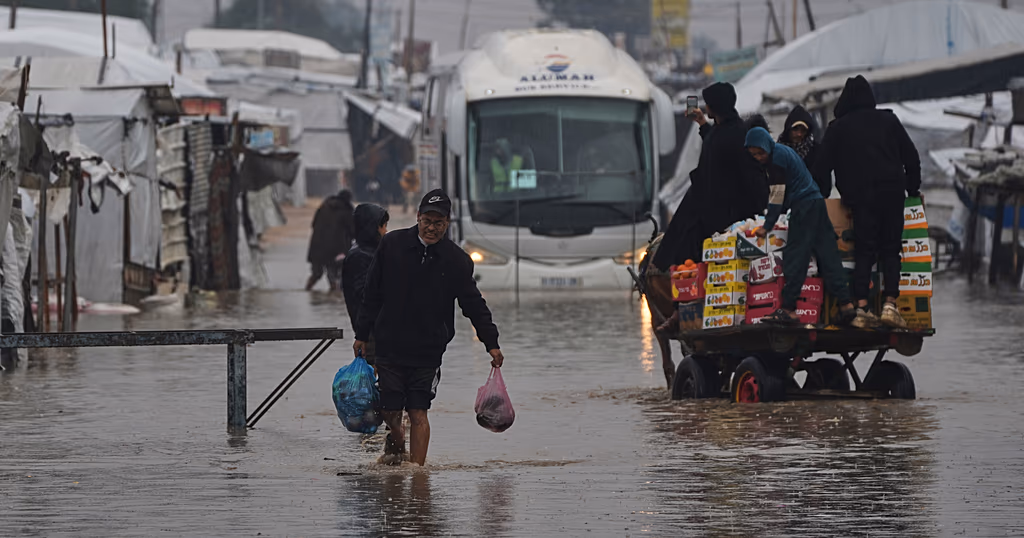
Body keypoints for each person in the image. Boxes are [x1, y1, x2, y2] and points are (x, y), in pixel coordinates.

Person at [353, 189, 504, 466]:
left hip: (428, 348)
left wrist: (490, 342)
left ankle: (417, 474)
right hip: (390, 343)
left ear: (447, 224)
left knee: (419, 411)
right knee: (390, 410)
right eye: (427, 221)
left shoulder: (457, 260)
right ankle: (396, 443)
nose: (432, 228)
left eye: (439, 223)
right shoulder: (392, 245)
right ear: (418, 217)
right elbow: (371, 293)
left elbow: (473, 304)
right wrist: (362, 335)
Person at [813, 75, 922, 328]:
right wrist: (912, 188)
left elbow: (821, 168)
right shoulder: (889, 120)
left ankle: (861, 307)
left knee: (865, 250)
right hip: (893, 194)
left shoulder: (838, 128)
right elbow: (911, 156)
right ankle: (890, 305)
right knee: (891, 249)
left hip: (861, 198)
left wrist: (824, 194)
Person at [745, 127, 856, 325]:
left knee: (796, 255)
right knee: (828, 253)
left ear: (766, 147)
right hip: (816, 202)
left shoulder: (777, 159)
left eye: (760, 152)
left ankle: (788, 308)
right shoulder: (781, 151)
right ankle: (846, 303)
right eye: (753, 154)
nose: (758, 157)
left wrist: (767, 225)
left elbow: (776, 196)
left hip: (804, 206)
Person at [653, 82, 768, 271]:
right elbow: (715, 141)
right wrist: (702, 123)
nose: (706, 108)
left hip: (721, 215)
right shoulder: (731, 128)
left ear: (716, 107)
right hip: (717, 208)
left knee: (682, 246)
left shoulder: (731, 135)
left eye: (709, 105)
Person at [342, 203, 390, 365]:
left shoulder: (373, 252)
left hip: (378, 330)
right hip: (372, 332)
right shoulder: (361, 256)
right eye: (383, 226)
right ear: (373, 228)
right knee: (379, 377)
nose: (386, 231)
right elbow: (365, 296)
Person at [306, 190, 354, 291]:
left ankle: (307, 290)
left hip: (317, 246)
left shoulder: (324, 206)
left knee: (316, 274)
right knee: (333, 276)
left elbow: (313, 224)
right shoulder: (347, 211)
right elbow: (353, 231)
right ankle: (334, 299)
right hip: (334, 250)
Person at [777, 105, 825, 195]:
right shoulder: (778, 152)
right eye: (795, 129)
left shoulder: (815, 151)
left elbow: (824, 182)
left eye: (803, 130)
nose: (799, 134)